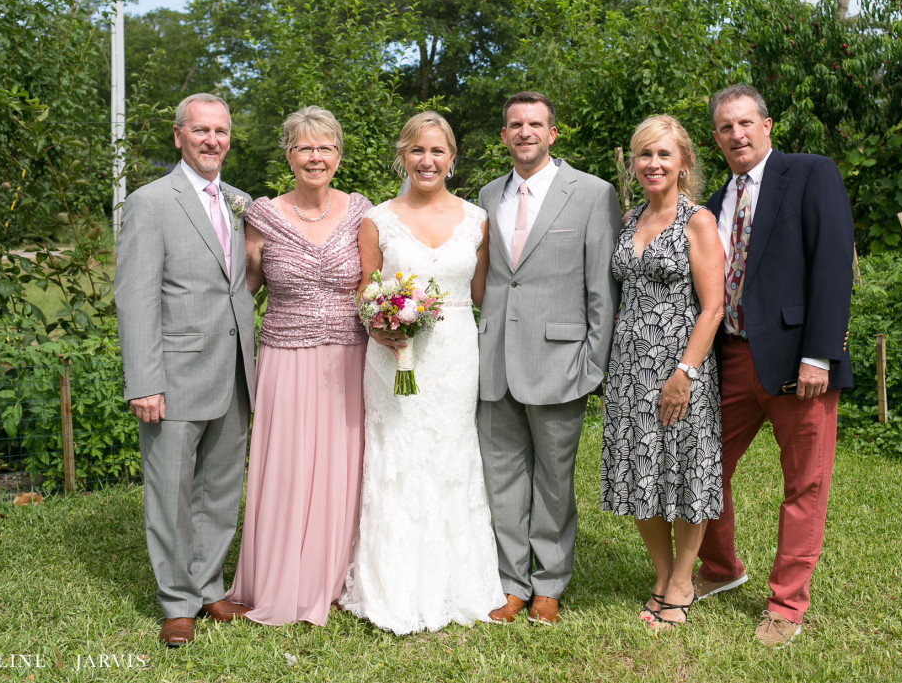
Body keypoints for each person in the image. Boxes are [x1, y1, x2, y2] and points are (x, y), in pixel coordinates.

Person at [693, 84, 854, 647]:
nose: (736, 135)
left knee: (804, 483)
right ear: (716, 139)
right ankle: (720, 568)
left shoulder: (810, 173)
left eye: (745, 123)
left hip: (797, 361)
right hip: (731, 358)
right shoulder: (716, 201)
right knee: (703, 468)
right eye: (725, 128)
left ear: (766, 125)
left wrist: (819, 355)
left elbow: (832, 265)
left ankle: (786, 605)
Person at [339, 111, 504, 634]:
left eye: (437, 151)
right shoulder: (378, 219)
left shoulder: (478, 220)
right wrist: (378, 322)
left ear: (452, 158)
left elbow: (481, 294)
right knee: (397, 454)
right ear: (402, 156)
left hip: (455, 353)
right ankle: (392, 583)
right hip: (393, 355)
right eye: (416, 150)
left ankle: (458, 581)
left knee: (452, 453)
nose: (426, 160)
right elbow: (366, 287)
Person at [115, 93, 256, 647]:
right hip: (173, 376)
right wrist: (144, 381)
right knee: (171, 494)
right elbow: (135, 298)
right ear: (179, 136)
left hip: (234, 371)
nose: (211, 140)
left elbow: (239, 284)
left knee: (220, 488)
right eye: (200, 130)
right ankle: (177, 603)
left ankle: (208, 585)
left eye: (220, 131)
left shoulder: (240, 202)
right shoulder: (150, 202)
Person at [477, 91, 622, 625]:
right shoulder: (487, 194)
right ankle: (511, 582)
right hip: (494, 360)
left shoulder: (593, 193)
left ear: (552, 133)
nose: (525, 132)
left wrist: (592, 364)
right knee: (502, 478)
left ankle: (549, 583)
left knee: (555, 481)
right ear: (504, 135)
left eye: (535, 124)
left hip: (561, 362)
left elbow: (602, 289)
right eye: (515, 124)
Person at [225, 107, 371, 626]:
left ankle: (331, 578)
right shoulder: (262, 216)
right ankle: (278, 578)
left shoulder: (360, 211)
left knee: (341, 467)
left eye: (325, 147)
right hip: (284, 358)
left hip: (348, 359)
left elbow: (374, 283)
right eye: (304, 147)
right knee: (286, 467)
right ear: (288, 156)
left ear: (338, 156)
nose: (315, 157)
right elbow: (242, 290)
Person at [601, 115, 725, 631]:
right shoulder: (629, 219)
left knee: (687, 471)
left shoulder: (697, 221)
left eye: (664, 154)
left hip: (681, 366)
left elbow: (713, 307)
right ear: (633, 163)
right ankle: (661, 575)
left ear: (684, 163)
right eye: (645, 154)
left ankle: (682, 583)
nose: (653, 163)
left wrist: (685, 373)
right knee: (640, 470)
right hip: (628, 367)